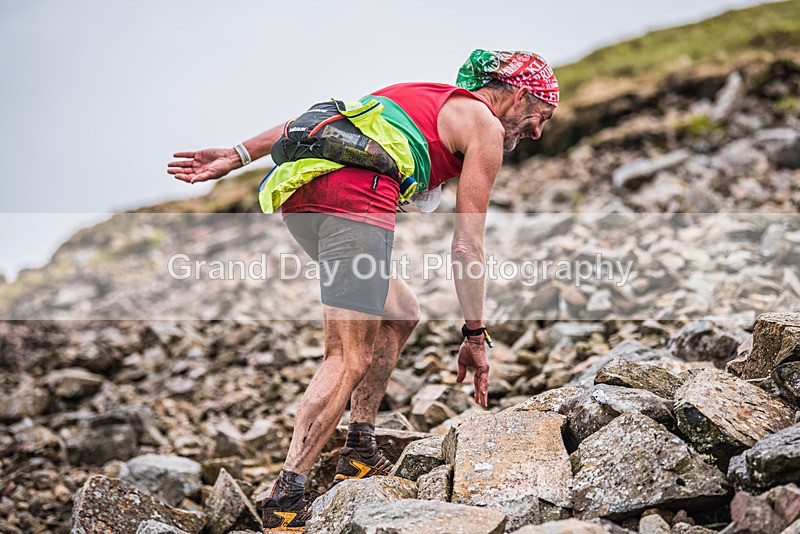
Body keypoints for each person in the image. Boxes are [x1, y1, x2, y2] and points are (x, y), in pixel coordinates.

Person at [168, 49, 558, 532]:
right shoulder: (487, 127)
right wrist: (475, 334)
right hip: (356, 195)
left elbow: (315, 120)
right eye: (541, 115)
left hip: (304, 198)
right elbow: (466, 246)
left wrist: (237, 154)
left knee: (400, 312)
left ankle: (360, 446)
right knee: (347, 357)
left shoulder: (418, 95)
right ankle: (285, 501)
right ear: (519, 95)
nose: (538, 131)